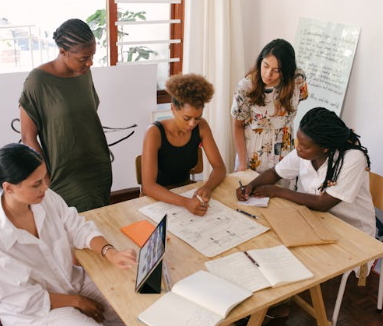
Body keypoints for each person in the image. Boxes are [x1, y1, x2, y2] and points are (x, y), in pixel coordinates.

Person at [0, 143, 137, 326]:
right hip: (36, 312)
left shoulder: (45, 198)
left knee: (129, 304)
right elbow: (26, 300)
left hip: (72, 282)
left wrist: (110, 252)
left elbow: (77, 228)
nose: (46, 187)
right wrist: (78, 301)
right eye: (37, 184)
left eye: (45, 178)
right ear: (9, 188)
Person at [237, 107, 376, 238]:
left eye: (305, 146)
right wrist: (251, 186)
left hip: (353, 232)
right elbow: (275, 173)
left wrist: (278, 191)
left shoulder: (353, 159)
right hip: (316, 220)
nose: (298, 149)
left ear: (325, 148)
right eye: (299, 143)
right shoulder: (304, 153)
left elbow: (323, 203)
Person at [19, 18, 112, 212]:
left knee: (101, 222)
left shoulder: (84, 72)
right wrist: (44, 174)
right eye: (83, 58)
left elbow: (87, 116)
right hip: (65, 173)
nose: (90, 62)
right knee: (74, 228)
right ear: (63, 52)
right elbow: (28, 136)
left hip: (97, 165)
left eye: (92, 55)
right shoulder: (37, 81)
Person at [141, 73, 226, 216]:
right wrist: (186, 203)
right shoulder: (154, 133)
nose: (192, 124)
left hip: (185, 191)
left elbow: (219, 167)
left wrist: (208, 187)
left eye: (197, 118)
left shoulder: (201, 127)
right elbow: (148, 186)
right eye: (187, 118)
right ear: (173, 108)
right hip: (157, 198)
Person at [231, 38, 308, 174]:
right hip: (254, 153)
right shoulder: (246, 86)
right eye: (265, 65)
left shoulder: (297, 80)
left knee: (282, 194)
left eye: (276, 70)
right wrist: (243, 163)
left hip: (285, 153)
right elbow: (237, 125)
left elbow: (291, 110)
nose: (268, 74)